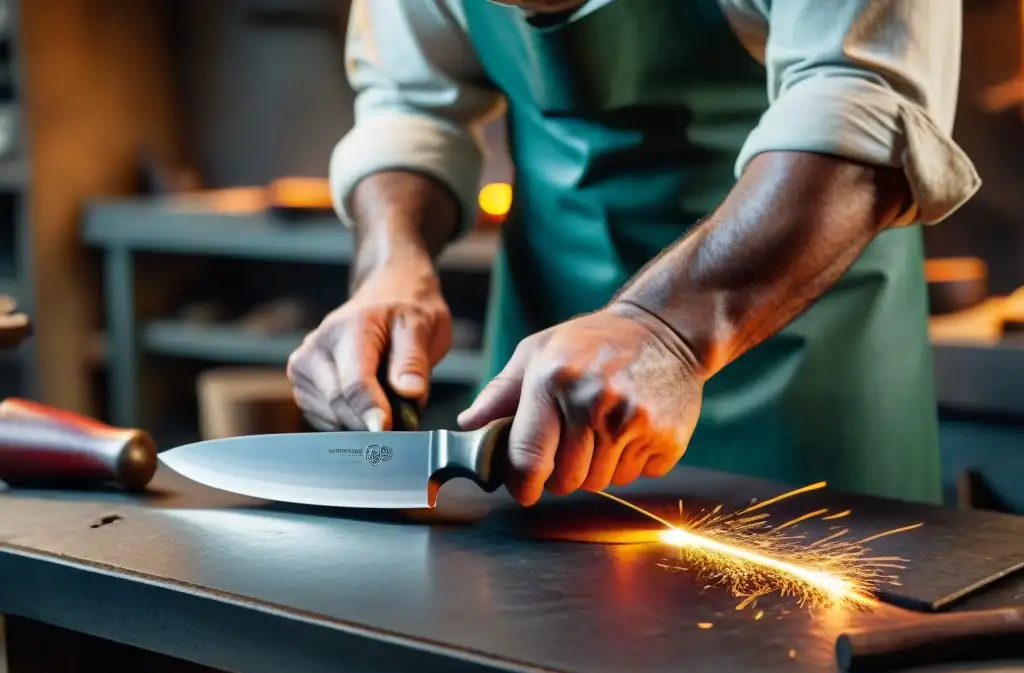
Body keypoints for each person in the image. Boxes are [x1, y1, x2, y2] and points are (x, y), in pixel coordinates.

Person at [288, 0, 980, 508]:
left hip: (805, 354)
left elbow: (864, 112)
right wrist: (391, 265)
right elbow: (412, 106)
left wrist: (667, 332)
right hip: (538, 380)